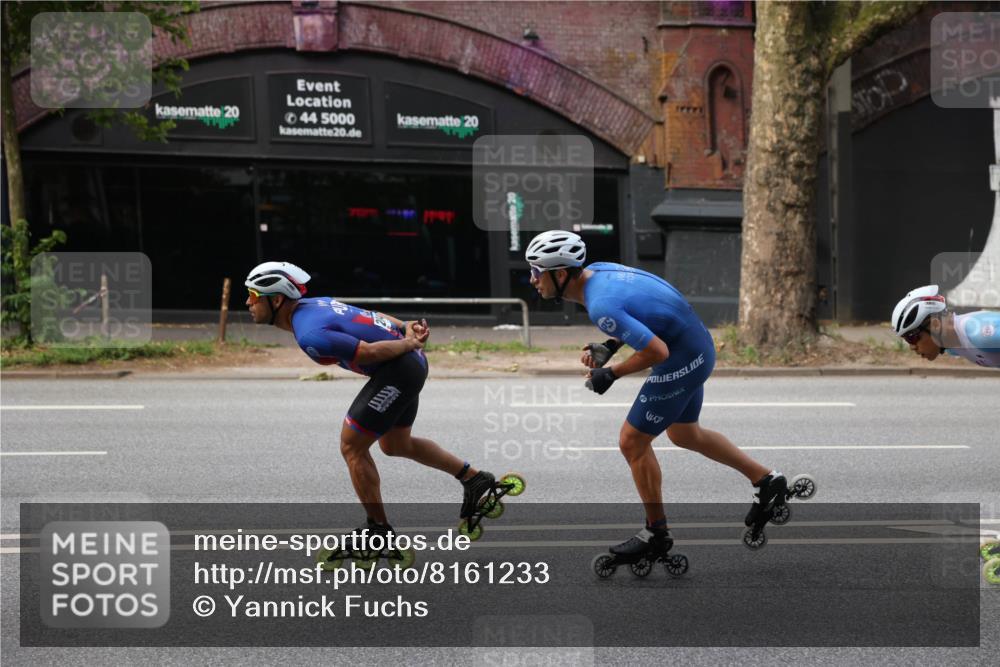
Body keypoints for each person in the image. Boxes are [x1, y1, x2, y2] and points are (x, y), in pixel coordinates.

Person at [524, 231, 794, 556]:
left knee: (632, 442)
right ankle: (767, 480)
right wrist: (610, 346)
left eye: (537, 271)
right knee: (685, 434)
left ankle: (656, 534)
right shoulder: (601, 271)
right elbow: (644, 310)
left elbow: (657, 351)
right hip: (697, 345)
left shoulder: (600, 306)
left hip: (679, 356)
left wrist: (611, 373)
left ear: (561, 273)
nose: (532, 279)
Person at [244, 261, 500, 545]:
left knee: (352, 446)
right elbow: (373, 316)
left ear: (277, 299)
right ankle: (474, 479)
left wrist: (408, 342)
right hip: (406, 366)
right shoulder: (316, 304)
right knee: (396, 445)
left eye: (254, 296)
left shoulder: (310, 334)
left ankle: (378, 529)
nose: (247, 302)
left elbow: (365, 352)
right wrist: (404, 326)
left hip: (399, 368)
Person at [891, 285, 1000, 368]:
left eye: (912, 338)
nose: (912, 347)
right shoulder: (952, 346)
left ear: (936, 325)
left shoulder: (982, 335)